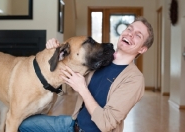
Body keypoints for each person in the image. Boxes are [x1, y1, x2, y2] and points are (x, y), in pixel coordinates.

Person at [19, 16, 154, 132]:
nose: (130, 34)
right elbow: (69, 67)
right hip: (73, 125)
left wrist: (83, 89)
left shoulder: (134, 80)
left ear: (142, 49)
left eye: (138, 35)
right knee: (22, 124)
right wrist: (55, 50)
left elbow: (106, 123)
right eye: (129, 29)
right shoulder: (101, 60)